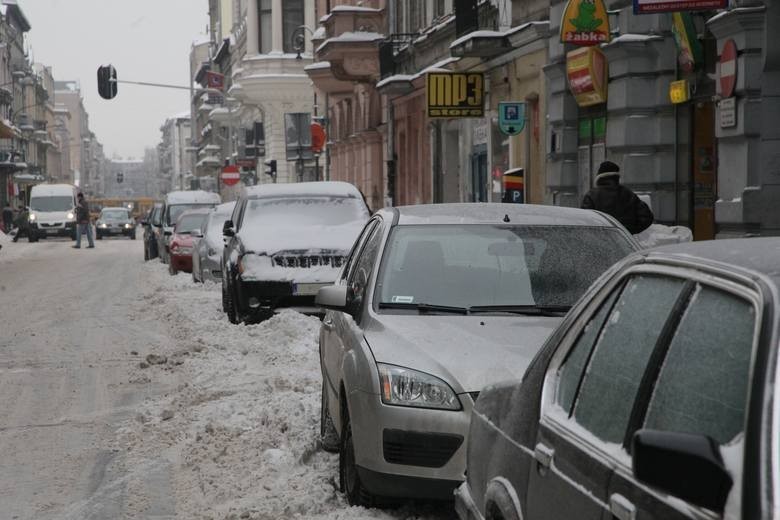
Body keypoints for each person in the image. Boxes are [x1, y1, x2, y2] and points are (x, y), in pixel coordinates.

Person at [581, 160, 654, 234]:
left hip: (600, 240)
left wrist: (597, 234)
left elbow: (584, 220)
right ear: (616, 177)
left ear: (599, 177)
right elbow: (646, 217)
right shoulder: (628, 193)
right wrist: (629, 231)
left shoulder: (591, 194)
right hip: (622, 241)